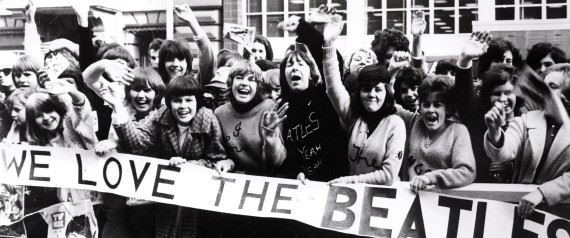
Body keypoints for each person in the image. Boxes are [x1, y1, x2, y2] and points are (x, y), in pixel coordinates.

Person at [99, 73, 230, 238]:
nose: (183, 106)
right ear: (169, 103)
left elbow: (217, 160)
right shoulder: (162, 116)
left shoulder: (207, 119)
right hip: (167, 202)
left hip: (196, 201)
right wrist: (117, 106)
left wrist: (188, 166)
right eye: (177, 101)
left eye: (189, 100)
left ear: (197, 101)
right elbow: (136, 142)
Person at [322, 18, 406, 185]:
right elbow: (333, 86)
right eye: (366, 89)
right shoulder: (353, 116)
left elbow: (388, 176)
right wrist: (329, 43)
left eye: (378, 89)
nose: (372, 94)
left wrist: (350, 181)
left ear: (386, 92)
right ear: (359, 92)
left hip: (385, 199)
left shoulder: (395, 124)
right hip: (357, 199)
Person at [484, 63, 570, 219]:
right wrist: (495, 132)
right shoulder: (524, 121)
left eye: (553, 86)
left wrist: (542, 193)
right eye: (543, 86)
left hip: (559, 218)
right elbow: (504, 154)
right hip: (519, 214)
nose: (544, 92)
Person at [397, 74, 476, 191]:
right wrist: (392, 71)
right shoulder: (413, 121)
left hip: (440, 202)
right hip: (409, 199)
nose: (430, 110)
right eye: (426, 105)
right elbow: (387, 103)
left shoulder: (458, 131)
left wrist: (430, 178)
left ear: (447, 108)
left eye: (437, 105)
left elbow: (467, 172)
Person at [158, 4, 215, 87]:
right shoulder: (156, 89)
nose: (175, 64)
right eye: (170, 59)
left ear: (188, 63)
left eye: (181, 59)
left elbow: (209, 61)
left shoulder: (194, 86)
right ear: (162, 63)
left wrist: (193, 23)